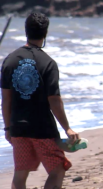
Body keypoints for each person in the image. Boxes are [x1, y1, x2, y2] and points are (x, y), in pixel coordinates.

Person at [1, 13, 79, 189]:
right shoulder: (48, 63)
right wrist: (67, 128)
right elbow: (54, 100)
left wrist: (7, 128)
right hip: (41, 128)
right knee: (57, 169)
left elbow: (5, 100)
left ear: (26, 31)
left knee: (20, 174)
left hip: (18, 126)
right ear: (45, 33)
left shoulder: (10, 61)